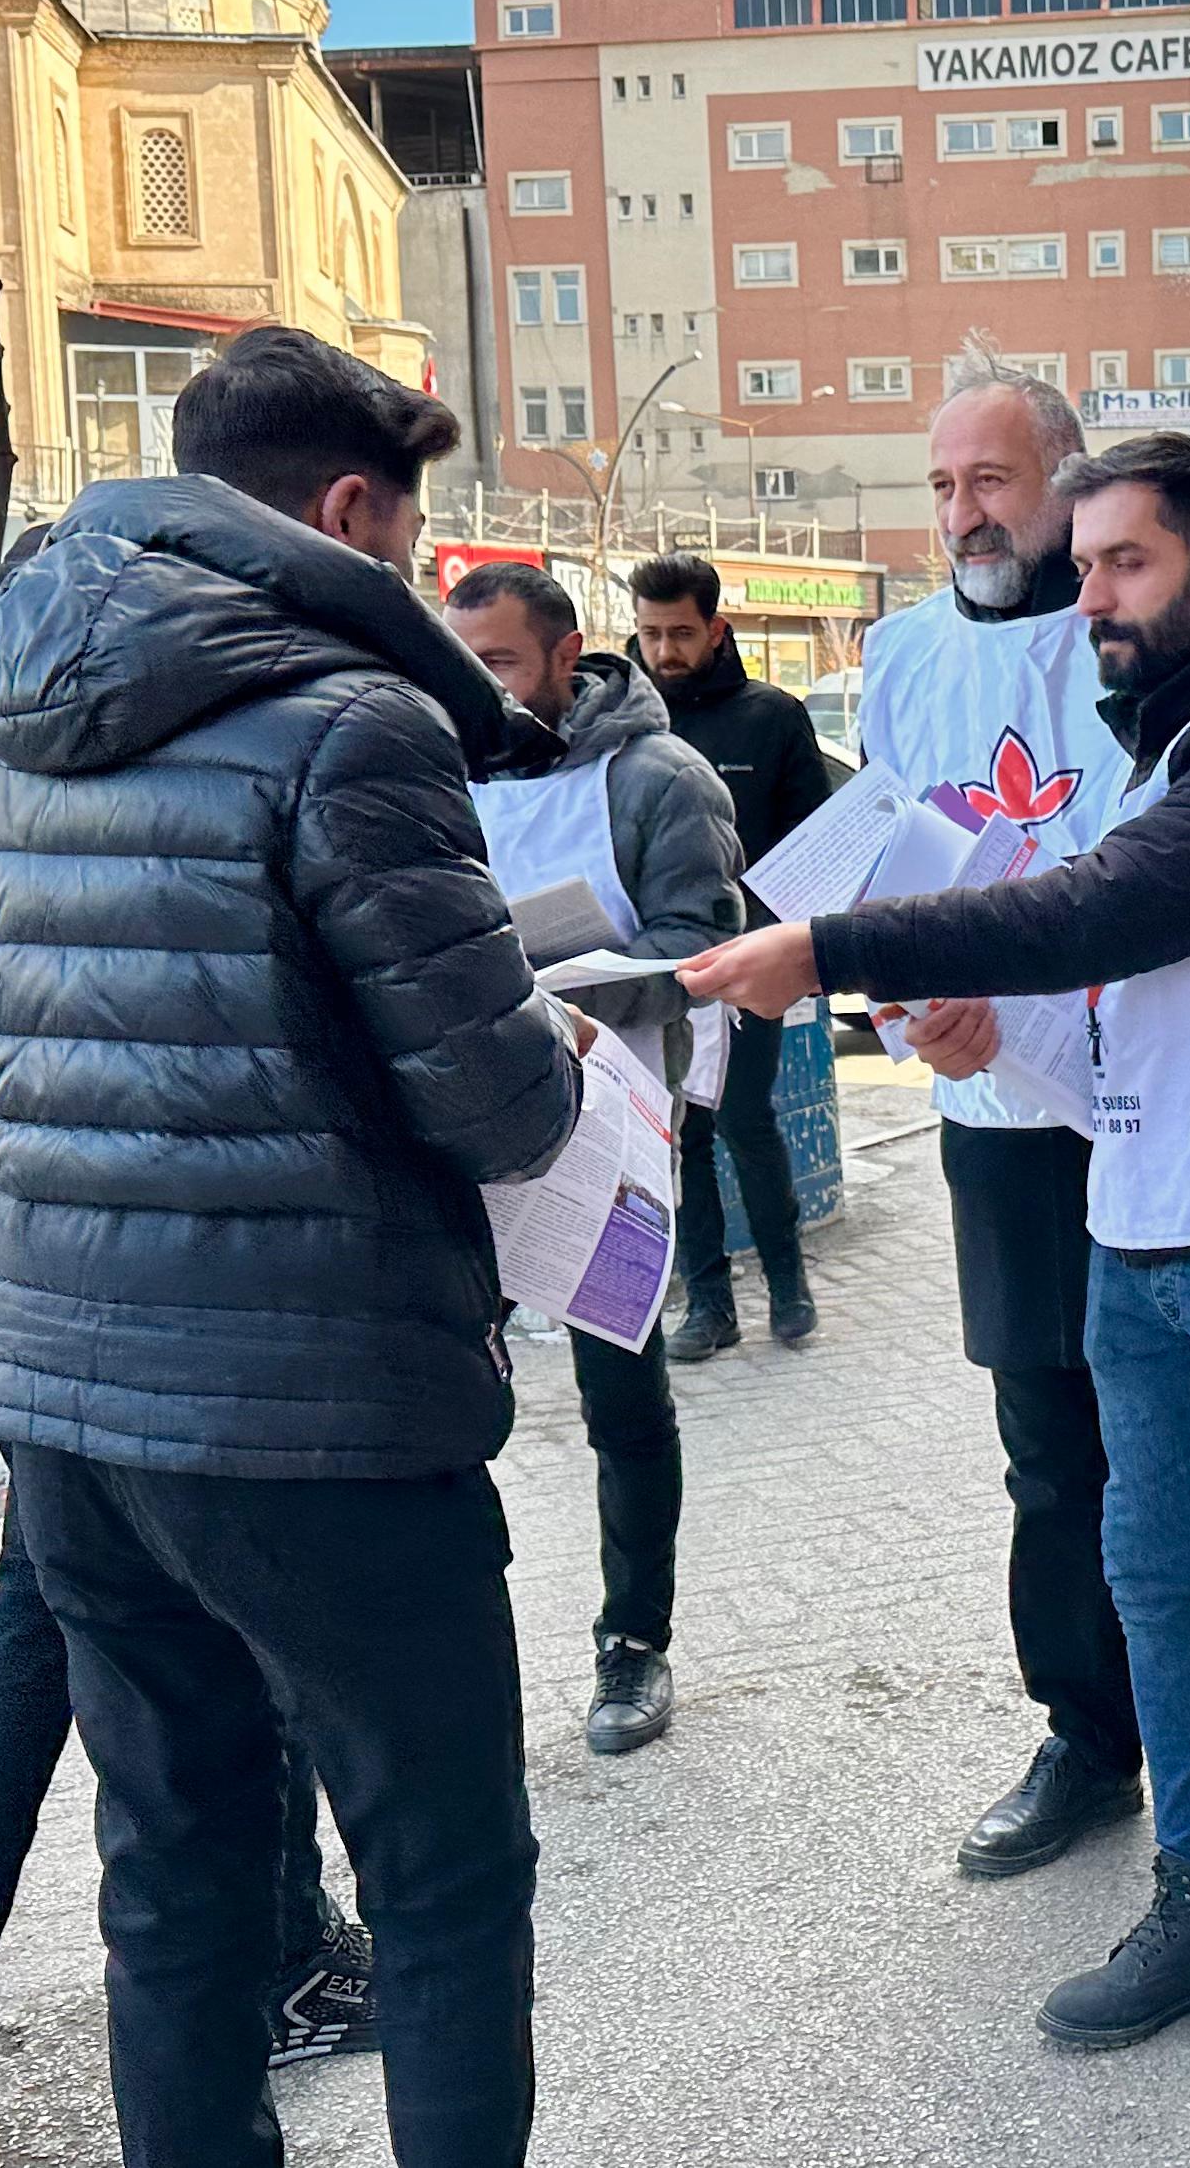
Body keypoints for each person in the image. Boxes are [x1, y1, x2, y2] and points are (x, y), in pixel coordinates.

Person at [687, 432, 1190, 2058]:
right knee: (1154, 1578)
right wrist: (998, 1043)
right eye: (1087, 561)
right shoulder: (1164, 748)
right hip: (1140, 1219)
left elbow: (1117, 911)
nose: (1092, 592)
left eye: (1127, 562)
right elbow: (1137, 1011)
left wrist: (829, 939)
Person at [0, 326, 586, 2168]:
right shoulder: (353, 721)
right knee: (446, 1869)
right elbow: (497, 1109)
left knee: (175, 1862)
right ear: (344, 511)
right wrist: (565, 1045)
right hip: (323, 1408)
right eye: (408, 536)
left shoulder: (10, 690)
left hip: (72, 1401)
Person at [0, 537, 375, 2153]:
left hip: (7, 1200)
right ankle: (268, 1962)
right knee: (208, 1569)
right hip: (155, 1214)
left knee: (52, 1593)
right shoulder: (191, 688)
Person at [853, 357, 1154, 1882]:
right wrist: (912, 996)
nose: (965, 515)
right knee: (1048, 1446)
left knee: (1188, 1437)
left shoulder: (1135, 640)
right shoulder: (899, 655)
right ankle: (1089, 1739)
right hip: (998, 1115)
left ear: (1066, 482)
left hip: (1156, 1102)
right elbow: (888, 862)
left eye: (994, 482)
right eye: (945, 486)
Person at [450, 558, 746, 1759]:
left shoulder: (658, 778)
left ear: (569, 657)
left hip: (606, 1118)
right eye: (459, 665)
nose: (476, 691)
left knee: (622, 1391)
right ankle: (454, 1651)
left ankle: (634, 1644)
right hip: (457, 1119)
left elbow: (707, 943)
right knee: (443, 1402)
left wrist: (577, 976)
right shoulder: (425, 764)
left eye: (501, 665)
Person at [629, 550, 837, 1354]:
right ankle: (706, 1304)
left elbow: (814, 845)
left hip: (753, 959)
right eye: (651, 633)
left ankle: (788, 1286)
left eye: (681, 632)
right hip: (661, 966)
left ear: (716, 628)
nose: (665, 651)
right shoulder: (634, 726)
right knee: (680, 1133)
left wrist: (790, 945)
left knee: (747, 1120)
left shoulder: (773, 717)